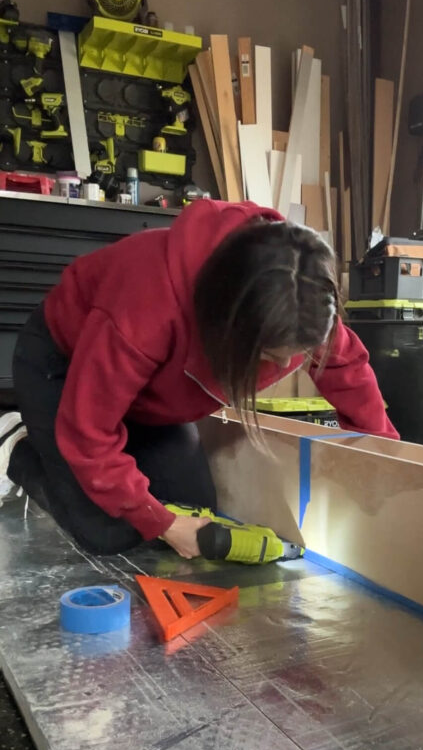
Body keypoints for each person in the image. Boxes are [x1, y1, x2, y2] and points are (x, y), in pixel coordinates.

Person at [0, 199, 398, 559]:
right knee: (112, 531)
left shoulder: (298, 295)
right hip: (64, 368)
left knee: (195, 509)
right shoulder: (143, 308)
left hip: (149, 398)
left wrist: (383, 459)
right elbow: (89, 433)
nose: (290, 363)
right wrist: (163, 524)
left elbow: (346, 367)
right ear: (225, 319)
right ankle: (23, 449)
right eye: (271, 356)